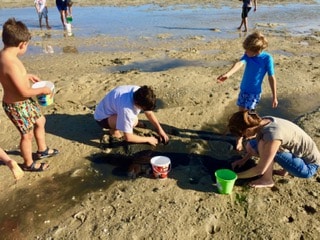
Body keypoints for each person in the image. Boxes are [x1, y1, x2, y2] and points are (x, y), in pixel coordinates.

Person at [0, 18, 59, 172]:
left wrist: (26, 76)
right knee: (27, 135)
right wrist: (42, 90)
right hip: (16, 106)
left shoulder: (7, 56)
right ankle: (28, 163)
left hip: (24, 103)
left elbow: (12, 79)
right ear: (22, 44)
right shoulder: (10, 63)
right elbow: (24, 92)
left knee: (40, 121)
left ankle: (43, 149)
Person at [217, 31, 278, 151]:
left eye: (247, 50)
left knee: (248, 116)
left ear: (257, 51)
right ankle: (243, 135)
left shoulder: (267, 59)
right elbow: (239, 63)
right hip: (243, 90)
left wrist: (274, 96)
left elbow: (272, 77)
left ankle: (250, 134)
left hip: (254, 93)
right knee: (241, 115)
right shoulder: (247, 55)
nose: (245, 52)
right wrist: (227, 74)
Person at [227, 110, 320, 188]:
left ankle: (267, 180)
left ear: (247, 130)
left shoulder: (273, 134)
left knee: (265, 146)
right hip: (298, 154)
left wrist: (235, 176)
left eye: (243, 135)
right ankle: (285, 170)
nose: (245, 138)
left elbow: (260, 170)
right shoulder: (263, 121)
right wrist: (243, 160)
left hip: (308, 167)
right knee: (251, 146)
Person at [94, 85, 169, 146]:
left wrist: (160, 130)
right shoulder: (127, 109)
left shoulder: (139, 91)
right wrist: (148, 139)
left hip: (110, 108)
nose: (144, 110)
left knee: (134, 121)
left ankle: (120, 125)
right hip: (102, 118)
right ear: (136, 103)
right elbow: (128, 138)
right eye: (143, 108)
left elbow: (149, 113)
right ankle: (113, 130)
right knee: (129, 124)